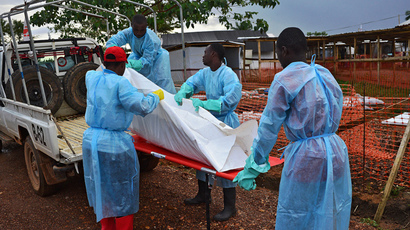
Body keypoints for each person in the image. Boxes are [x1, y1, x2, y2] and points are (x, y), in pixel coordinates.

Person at [233, 27, 352, 230]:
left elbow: (270, 126)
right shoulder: (324, 74)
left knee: (298, 214)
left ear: (284, 51)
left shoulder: (285, 79)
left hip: (307, 159)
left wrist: (255, 164)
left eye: (278, 53)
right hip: (336, 152)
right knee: (330, 211)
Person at [82, 46, 164, 230]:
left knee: (102, 188)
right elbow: (142, 106)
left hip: (91, 142)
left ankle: (107, 228)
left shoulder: (91, 77)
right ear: (121, 66)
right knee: (123, 192)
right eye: (123, 67)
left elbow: (99, 72)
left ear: (103, 63)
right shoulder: (121, 83)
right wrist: (155, 96)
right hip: (113, 145)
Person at [174, 43, 242, 221]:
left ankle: (230, 206)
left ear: (213, 54)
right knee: (203, 156)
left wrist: (206, 104)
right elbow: (192, 83)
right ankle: (204, 194)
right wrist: (184, 92)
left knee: (225, 161)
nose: (202, 56)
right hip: (210, 122)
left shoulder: (228, 75)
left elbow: (230, 100)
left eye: (205, 53)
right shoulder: (205, 73)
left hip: (225, 122)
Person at [106, 14, 176, 94]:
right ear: (132, 26)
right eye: (136, 30)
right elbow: (112, 41)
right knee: (132, 78)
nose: (139, 33)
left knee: (162, 81)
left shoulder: (152, 40)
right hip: (137, 56)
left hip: (157, 58)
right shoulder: (128, 32)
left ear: (146, 27)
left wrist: (132, 64)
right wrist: (114, 52)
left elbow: (147, 61)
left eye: (142, 30)